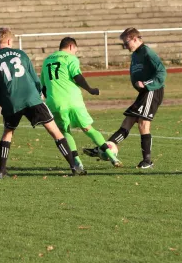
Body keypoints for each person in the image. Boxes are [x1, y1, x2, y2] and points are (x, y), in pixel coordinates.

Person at [0, 27, 84, 178]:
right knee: (55, 131)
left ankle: (1, 170)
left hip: (11, 101)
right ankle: (73, 166)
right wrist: (39, 94)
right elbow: (35, 78)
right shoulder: (22, 54)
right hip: (31, 98)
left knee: (8, 132)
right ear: (10, 40)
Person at [84, 27, 166, 169]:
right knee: (127, 121)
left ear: (135, 39)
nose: (125, 46)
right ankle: (104, 149)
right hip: (144, 93)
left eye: (126, 43)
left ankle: (147, 161)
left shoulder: (147, 52)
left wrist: (146, 84)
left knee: (143, 124)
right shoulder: (135, 55)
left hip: (152, 90)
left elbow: (161, 72)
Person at [40, 37, 122, 170]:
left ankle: (77, 162)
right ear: (71, 46)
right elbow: (77, 76)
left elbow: (43, 86)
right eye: (75, 50)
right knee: (88, 129)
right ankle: (112, 157)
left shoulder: (47, 60)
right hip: (73, 100)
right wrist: (90, 89)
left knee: (65, 131)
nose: (75, 52)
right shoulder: (70, 58)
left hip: (54, 102)